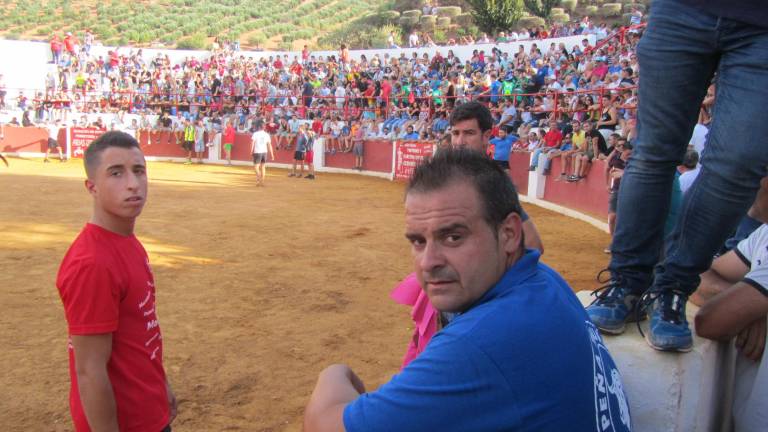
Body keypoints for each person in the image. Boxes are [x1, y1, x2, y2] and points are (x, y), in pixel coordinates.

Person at [304, 149, 632, 432]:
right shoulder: (544, 280)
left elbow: (323, 425)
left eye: (453, 237)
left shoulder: (477, 345)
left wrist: (336, 372)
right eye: (418, 241)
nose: (428, 262)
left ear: (508, 234)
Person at [587, 1, 768, 352]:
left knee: (738, 166)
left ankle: (672, 287)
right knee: (654, 152)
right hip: (683, 9)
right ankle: (625, 283)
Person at [55, 131, 176, 432]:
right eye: (116, 173)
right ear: (92, 187)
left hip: (146, 410)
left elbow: (141, 333)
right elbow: (89, 371)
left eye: (139, 171)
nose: (133, 184)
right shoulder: (92, 264)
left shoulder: (128, 242)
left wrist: (161, 385)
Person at [694, 179, 768, 432]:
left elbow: (710, 321)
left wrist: (746, 304)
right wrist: (750, 304)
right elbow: (699, 274)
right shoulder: (763, 233)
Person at [250, 121, 274, 186]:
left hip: (257, 152)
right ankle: (262, 181)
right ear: (264, 127)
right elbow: (269, 145)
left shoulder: (255, 134)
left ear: (258, 127)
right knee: (263, 166)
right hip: (264, 152)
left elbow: (252, 143)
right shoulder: (267, 135)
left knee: (256, 167)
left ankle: (259, 178)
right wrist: (272, 154)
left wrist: (251, 151)